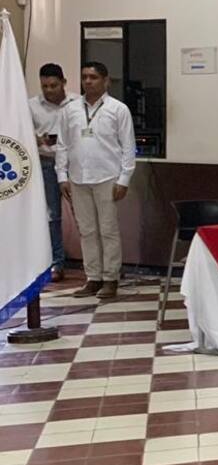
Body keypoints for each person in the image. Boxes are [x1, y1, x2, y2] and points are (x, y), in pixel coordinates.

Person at [55, 61, 136, 299]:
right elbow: (62, 145)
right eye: (84, 77)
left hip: (107, 177)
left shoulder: (118, 109)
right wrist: (62, 176)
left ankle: (110, 278)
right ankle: (93, 278)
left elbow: (128, 146)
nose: (88, 81)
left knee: (108, 230)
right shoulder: (70, 109)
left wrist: (124, 179)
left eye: (93, 77)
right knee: (87, 231)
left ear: (106, 81)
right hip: (78, 178)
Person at [28, 63, 79, 281]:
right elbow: (21, 134)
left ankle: (96, 267)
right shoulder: (31, 106)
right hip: (46, 163)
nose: (49, 90)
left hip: (74, 164)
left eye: (53, 85)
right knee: (51, 216)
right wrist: (35, 139)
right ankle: (56, 264)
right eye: (45, 86)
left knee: (84, 214)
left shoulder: (77, 103)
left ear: (63, 83)